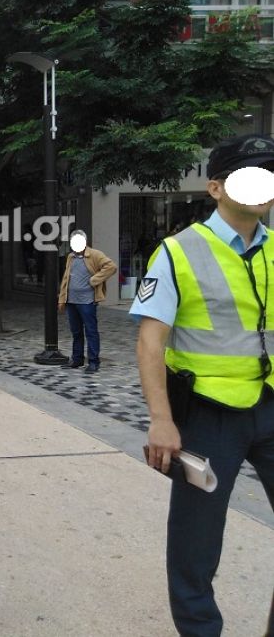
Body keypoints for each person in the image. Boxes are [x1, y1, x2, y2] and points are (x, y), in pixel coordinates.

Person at [131, 134, 274, 637]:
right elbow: (150, 343)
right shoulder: (178, 252)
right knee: (196, 543)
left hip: (271, 405)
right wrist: (161, 420)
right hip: (208, 417)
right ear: (215, 187)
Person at [57, 230, 117, 373]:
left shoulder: (95, 254)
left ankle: (93, 362)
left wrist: (94, 280)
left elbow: (111, 267)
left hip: (87, 301)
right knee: (76, 331)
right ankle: (77, 359)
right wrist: (62, 298)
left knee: (91, 331)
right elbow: (66, 278)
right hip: (71, 300)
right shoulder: (71, 257)